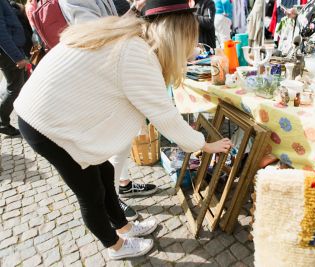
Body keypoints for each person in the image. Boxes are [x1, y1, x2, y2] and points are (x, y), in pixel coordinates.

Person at [14, 0, 232, 259]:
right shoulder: (136, 53)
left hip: (49, 114)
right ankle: (115, 246)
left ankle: (124, 227)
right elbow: (166, 117)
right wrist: (205, 145)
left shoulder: (132, 37)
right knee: (90, 191)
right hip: (44, 125)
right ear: (176, 34)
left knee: (104, 171)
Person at [59, 0, 155, 220]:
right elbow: (98, 35)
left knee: (121, 139)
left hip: (106, 71)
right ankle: (113, 203)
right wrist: (135, 10)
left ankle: (124, 185)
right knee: (113, 142)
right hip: (96, 77)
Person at [0, 0, 29, 136]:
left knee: (20, 86)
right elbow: (1, 33)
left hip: (14, 50)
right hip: (8, 54)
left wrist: (15, 7)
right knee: (14, 89)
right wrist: (17, 57)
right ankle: (2, 122)